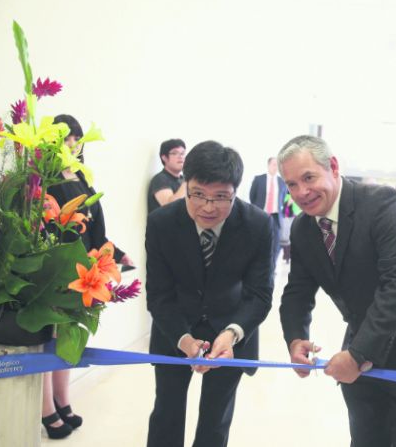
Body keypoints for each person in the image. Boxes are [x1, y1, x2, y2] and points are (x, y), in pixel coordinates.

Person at [277, 135, 396, 447]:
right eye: (292, 184)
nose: (302, 192)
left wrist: (358, 354)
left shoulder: (383, 204)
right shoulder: (303, 229)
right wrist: (295, 338)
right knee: (364, 436)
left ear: (333, 167)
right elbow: (297, 292)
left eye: (309, 178)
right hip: (363, 336)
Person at [145, 140, 274, 447]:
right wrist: (184, 339)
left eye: (220, 197)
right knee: (166, 413)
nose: (207, 206)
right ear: (186, 185)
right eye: (198, 194)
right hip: (174, 328)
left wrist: (231, 335)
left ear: (235, 192)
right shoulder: (162, 223)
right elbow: (159, 294)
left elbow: (259, 294)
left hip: (230, 332)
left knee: (216, 421)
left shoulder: (258, 225)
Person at [41, 114, 135, 439]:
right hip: (56, 267)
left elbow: (95, 225)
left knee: (70, 337)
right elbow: (47, 223)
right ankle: (46, 410)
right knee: (50, 338)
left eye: (76, 138)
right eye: (65, 138)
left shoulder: (81, 174)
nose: (72, 144)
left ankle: (62, 400)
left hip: (84, 266)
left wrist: (116, 254)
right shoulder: (45, 176)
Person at [249, 157, 288, 267]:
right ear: (268, 165)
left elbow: (284, 199)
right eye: (274, 164)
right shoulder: (258, 179)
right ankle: (257, 265)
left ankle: (271, 267)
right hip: (260, 215)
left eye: (277, 165)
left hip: (276, 217)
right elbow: (252, 196)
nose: (276, 167)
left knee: (275, 244)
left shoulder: (282, 182)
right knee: (258, 241)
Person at [147, 138, 187, 215]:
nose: (181, 157)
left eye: (183, 153)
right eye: (175, 153)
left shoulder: (183, 179)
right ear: (164, 157)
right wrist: (188, 179)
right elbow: (170, 207)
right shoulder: (160, 179)